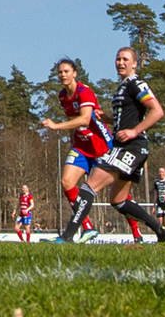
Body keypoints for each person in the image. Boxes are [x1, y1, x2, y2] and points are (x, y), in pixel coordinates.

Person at [56, 47, 165, 245]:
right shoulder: (122, 87)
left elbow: (157, 111)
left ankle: (67, 236)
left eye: (125, 59)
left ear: (134, 63)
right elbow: (128, 117)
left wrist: (135, 131)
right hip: (126, 146)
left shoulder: (136, 84)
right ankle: (160, 230)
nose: (120, 63)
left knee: (90, 186)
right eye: (118, 59)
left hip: (131, 147)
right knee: (118, 200)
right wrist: (108, 118)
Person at [39, 56, 112, 242]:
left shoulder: (84, 92)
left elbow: (84, 119)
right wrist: (73, 140)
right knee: (66, 182)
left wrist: (56, 126)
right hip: (81, 147)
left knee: (119, 196)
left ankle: (138, 234)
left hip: (101, 146)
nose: (63, 75)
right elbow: (76, 123)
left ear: (74, 74)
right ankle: (87, 227)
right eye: (60, 72)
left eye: (66, 71)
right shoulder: (63, 96)